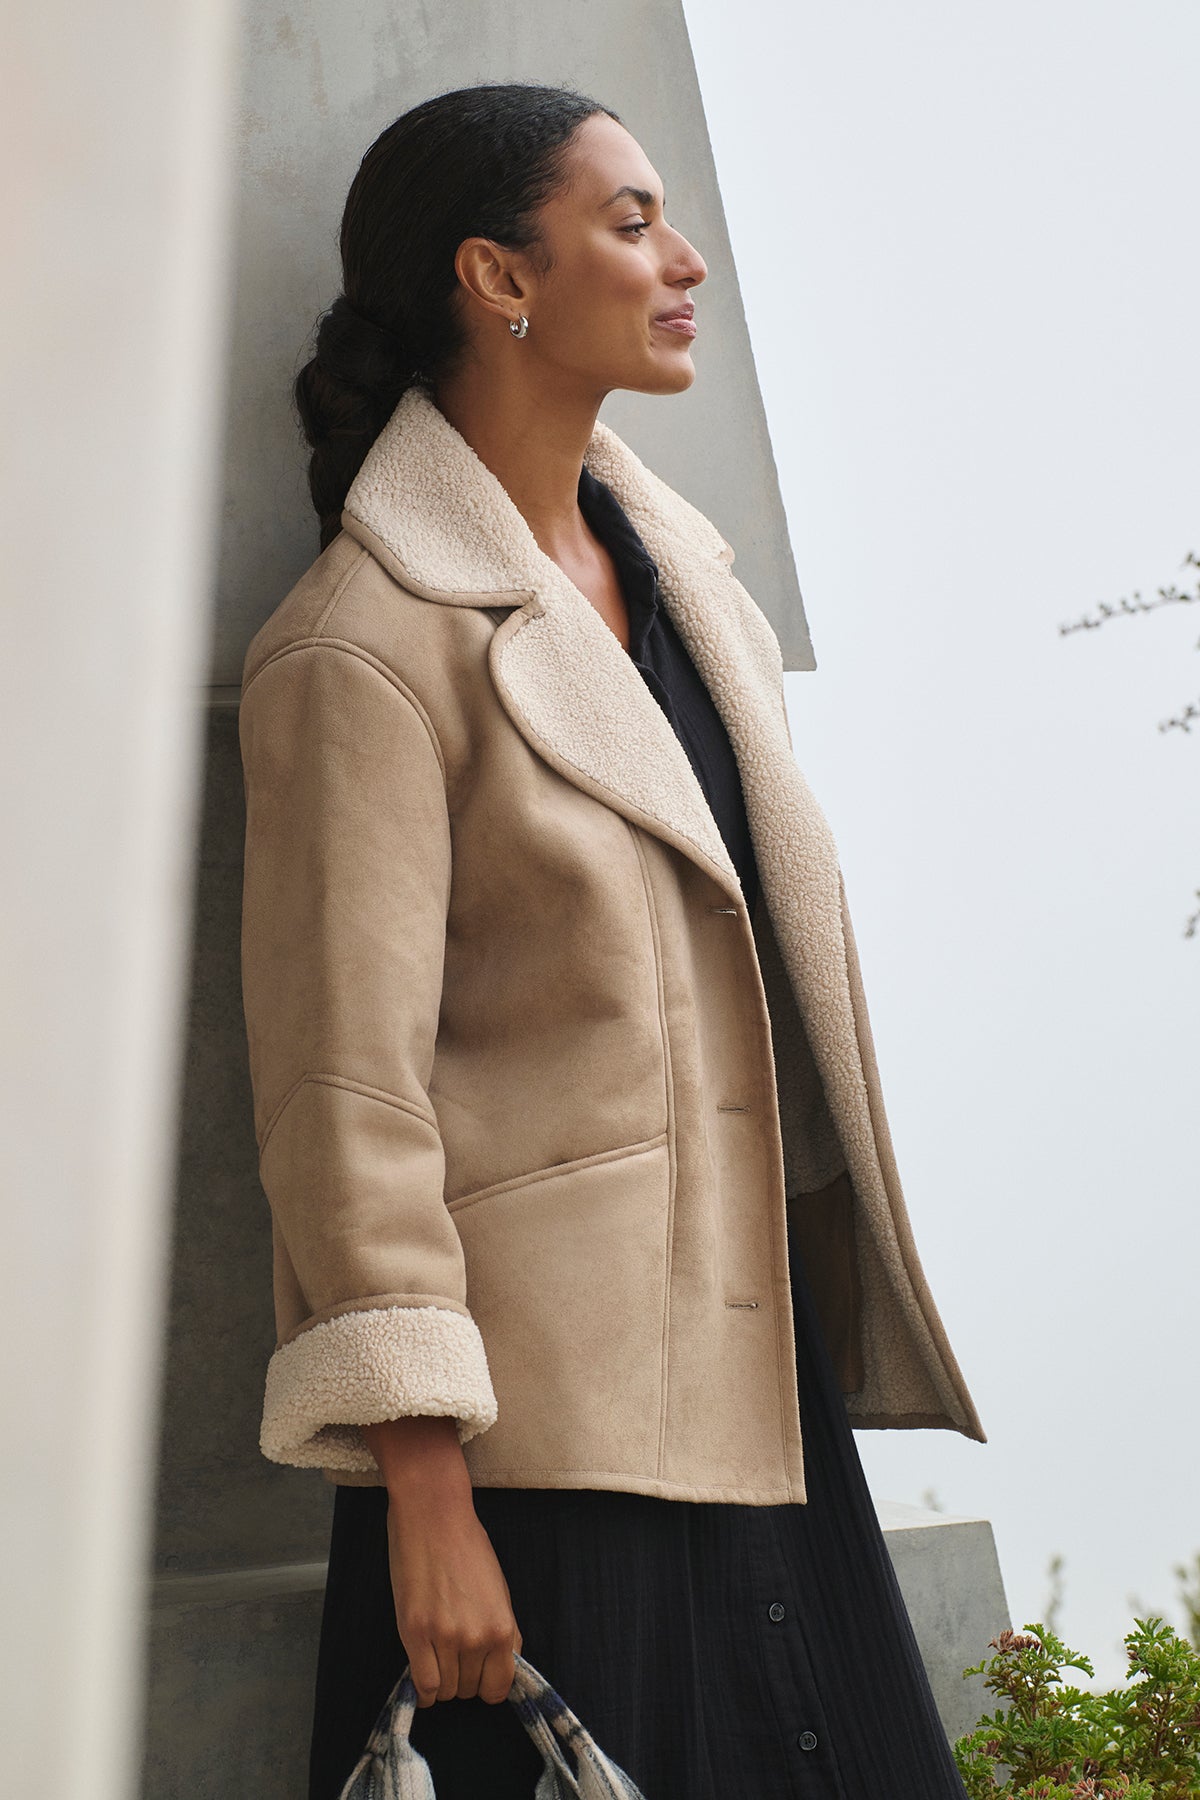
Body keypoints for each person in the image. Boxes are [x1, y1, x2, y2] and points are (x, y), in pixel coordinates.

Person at [237, 80, 985, 1800]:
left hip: (757, 1401)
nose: (687, 260)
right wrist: (428, 1497)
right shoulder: (357, 648)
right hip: (540, 1456)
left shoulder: (686, 589)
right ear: (500, 277)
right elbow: (344, 1099)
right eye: (632, 222)